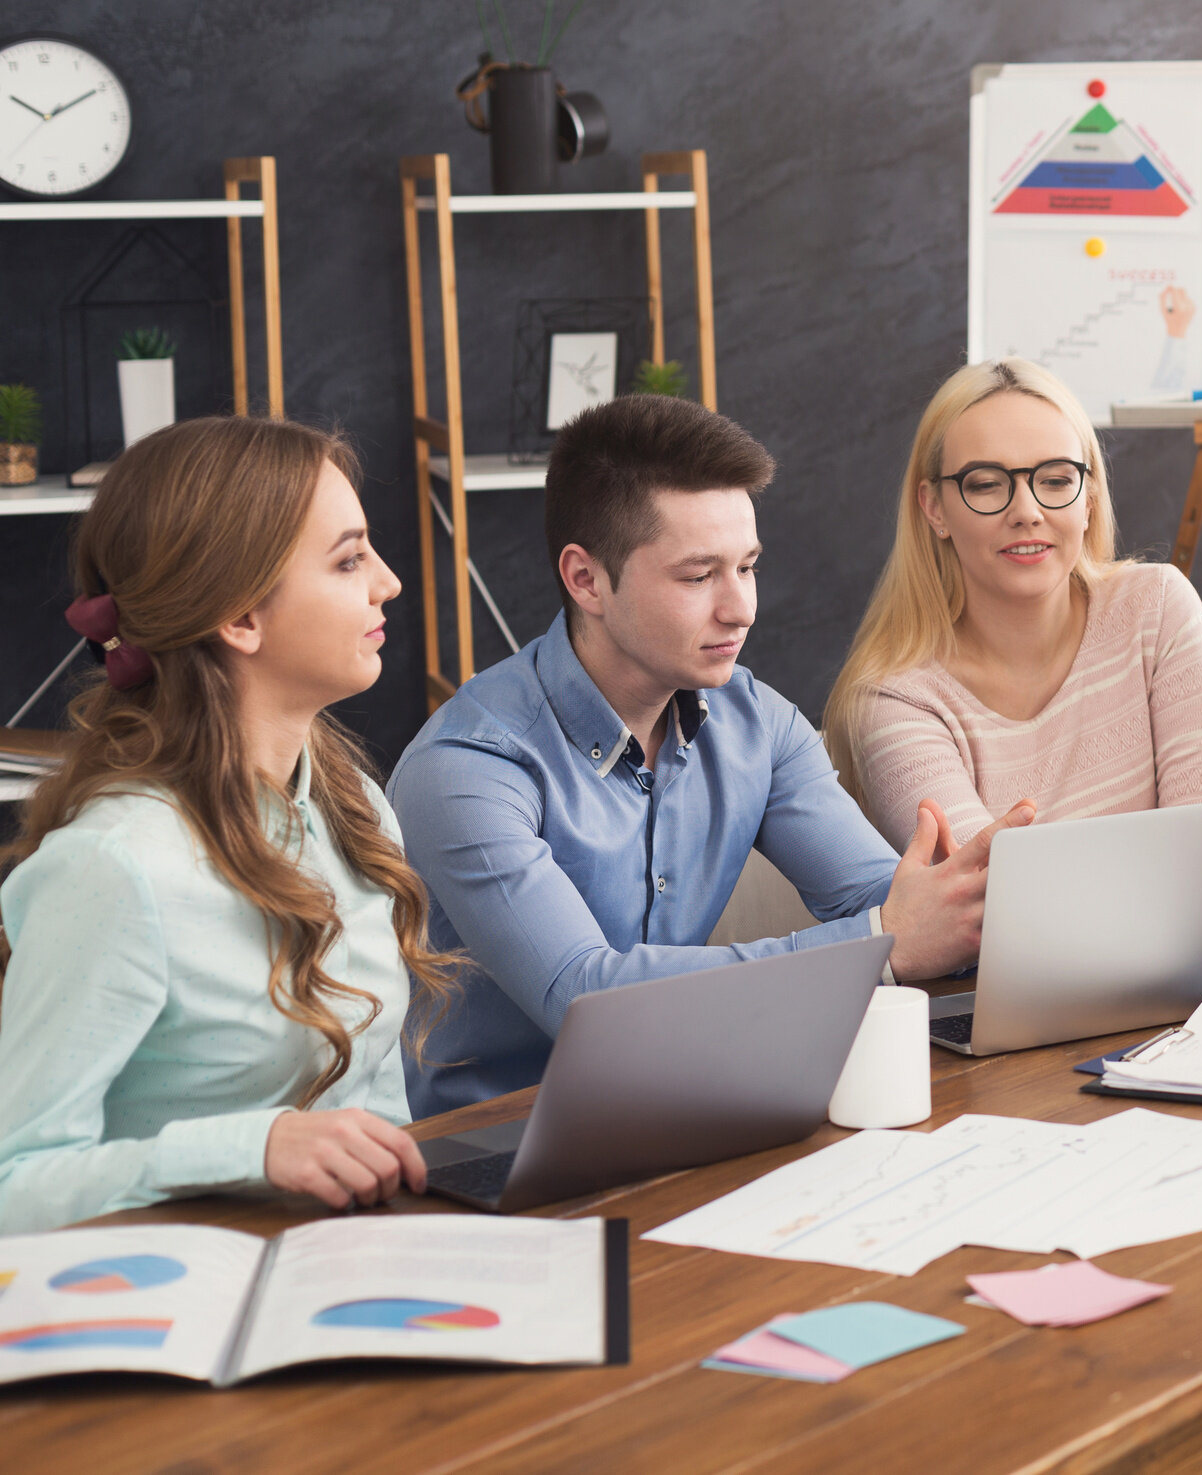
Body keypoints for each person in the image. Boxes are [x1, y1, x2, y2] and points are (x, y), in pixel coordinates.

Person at [390, 396, 1032, 1118]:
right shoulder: (468, 766)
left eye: (747, 566)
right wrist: (882, 940)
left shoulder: (756, 722)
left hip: (709, 1104)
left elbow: (888, 903)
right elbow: (585, 995)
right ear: (585, 579)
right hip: (500, 1149)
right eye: (699, 576)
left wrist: (982, 910)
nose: (742, 608)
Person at [0, 417, 456, 1233]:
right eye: (349, 559)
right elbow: (14, 1182)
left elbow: (376, 1109)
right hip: (160, 1306)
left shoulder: (351, 803)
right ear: (240, 617)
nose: (387, 581)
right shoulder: (114, 867)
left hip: (356, 1265)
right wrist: (250, 1146)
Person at [824, 357, 1202, 851]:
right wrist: (1177, 857)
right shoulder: (891, 700)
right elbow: (992, 904)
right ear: (934, 508)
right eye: (985, 483)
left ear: (1088, 498)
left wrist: (1195, 862)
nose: (1027, 512)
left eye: (1055, 480)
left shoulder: (1157, 610)